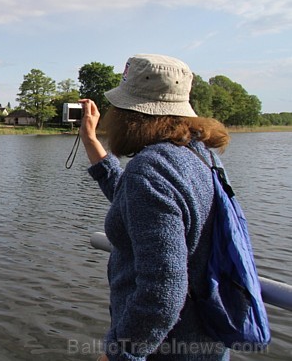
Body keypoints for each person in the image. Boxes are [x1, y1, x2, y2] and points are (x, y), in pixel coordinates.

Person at [79, 54, 231, 361]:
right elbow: (137, 205)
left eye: (119, 106)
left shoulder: (149, 170)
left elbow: (164, 290)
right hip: (206, 341)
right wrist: (90, 140)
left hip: (166, 349)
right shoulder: (199, 156)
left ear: (132, 113)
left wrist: (121, 353)